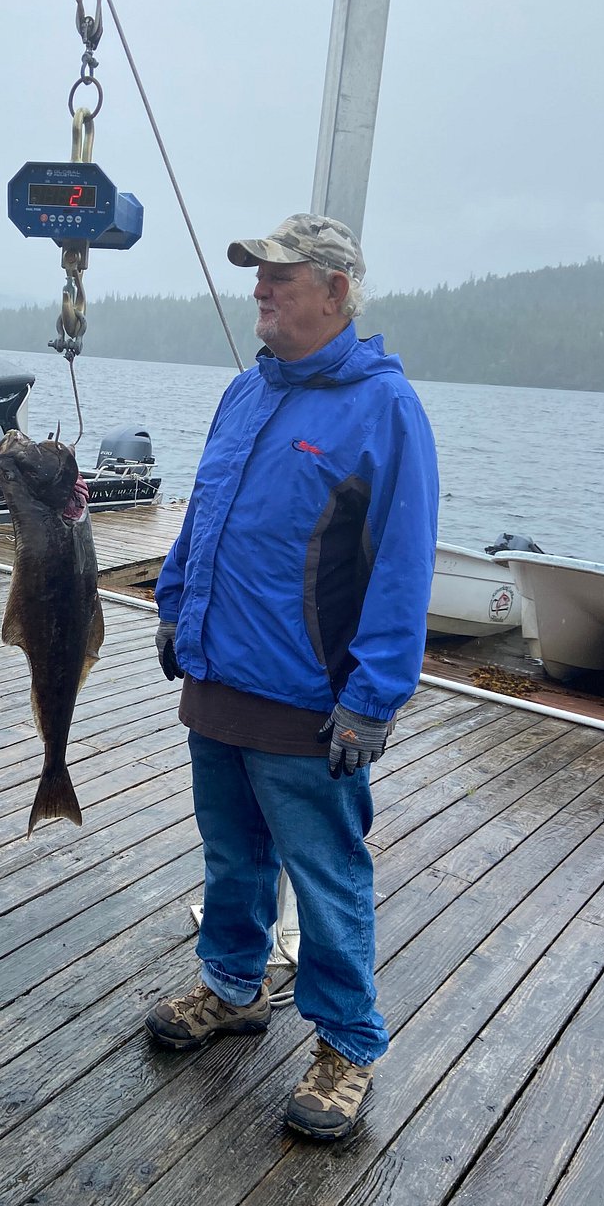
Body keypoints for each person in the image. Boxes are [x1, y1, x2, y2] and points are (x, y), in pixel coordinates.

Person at [145, 213, 439, 1140]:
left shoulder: (385, 408)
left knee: (326, 872)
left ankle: (348, 1041)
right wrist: (173, 601)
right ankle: (233, 985)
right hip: (217, 678)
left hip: (311, 704)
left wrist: (371, 699)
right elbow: (205, 513)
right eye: (257, 275)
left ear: (337, 290)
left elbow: (402, 566)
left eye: (281, 275)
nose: (262, 289)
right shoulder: (245, 393)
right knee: (232, 854)